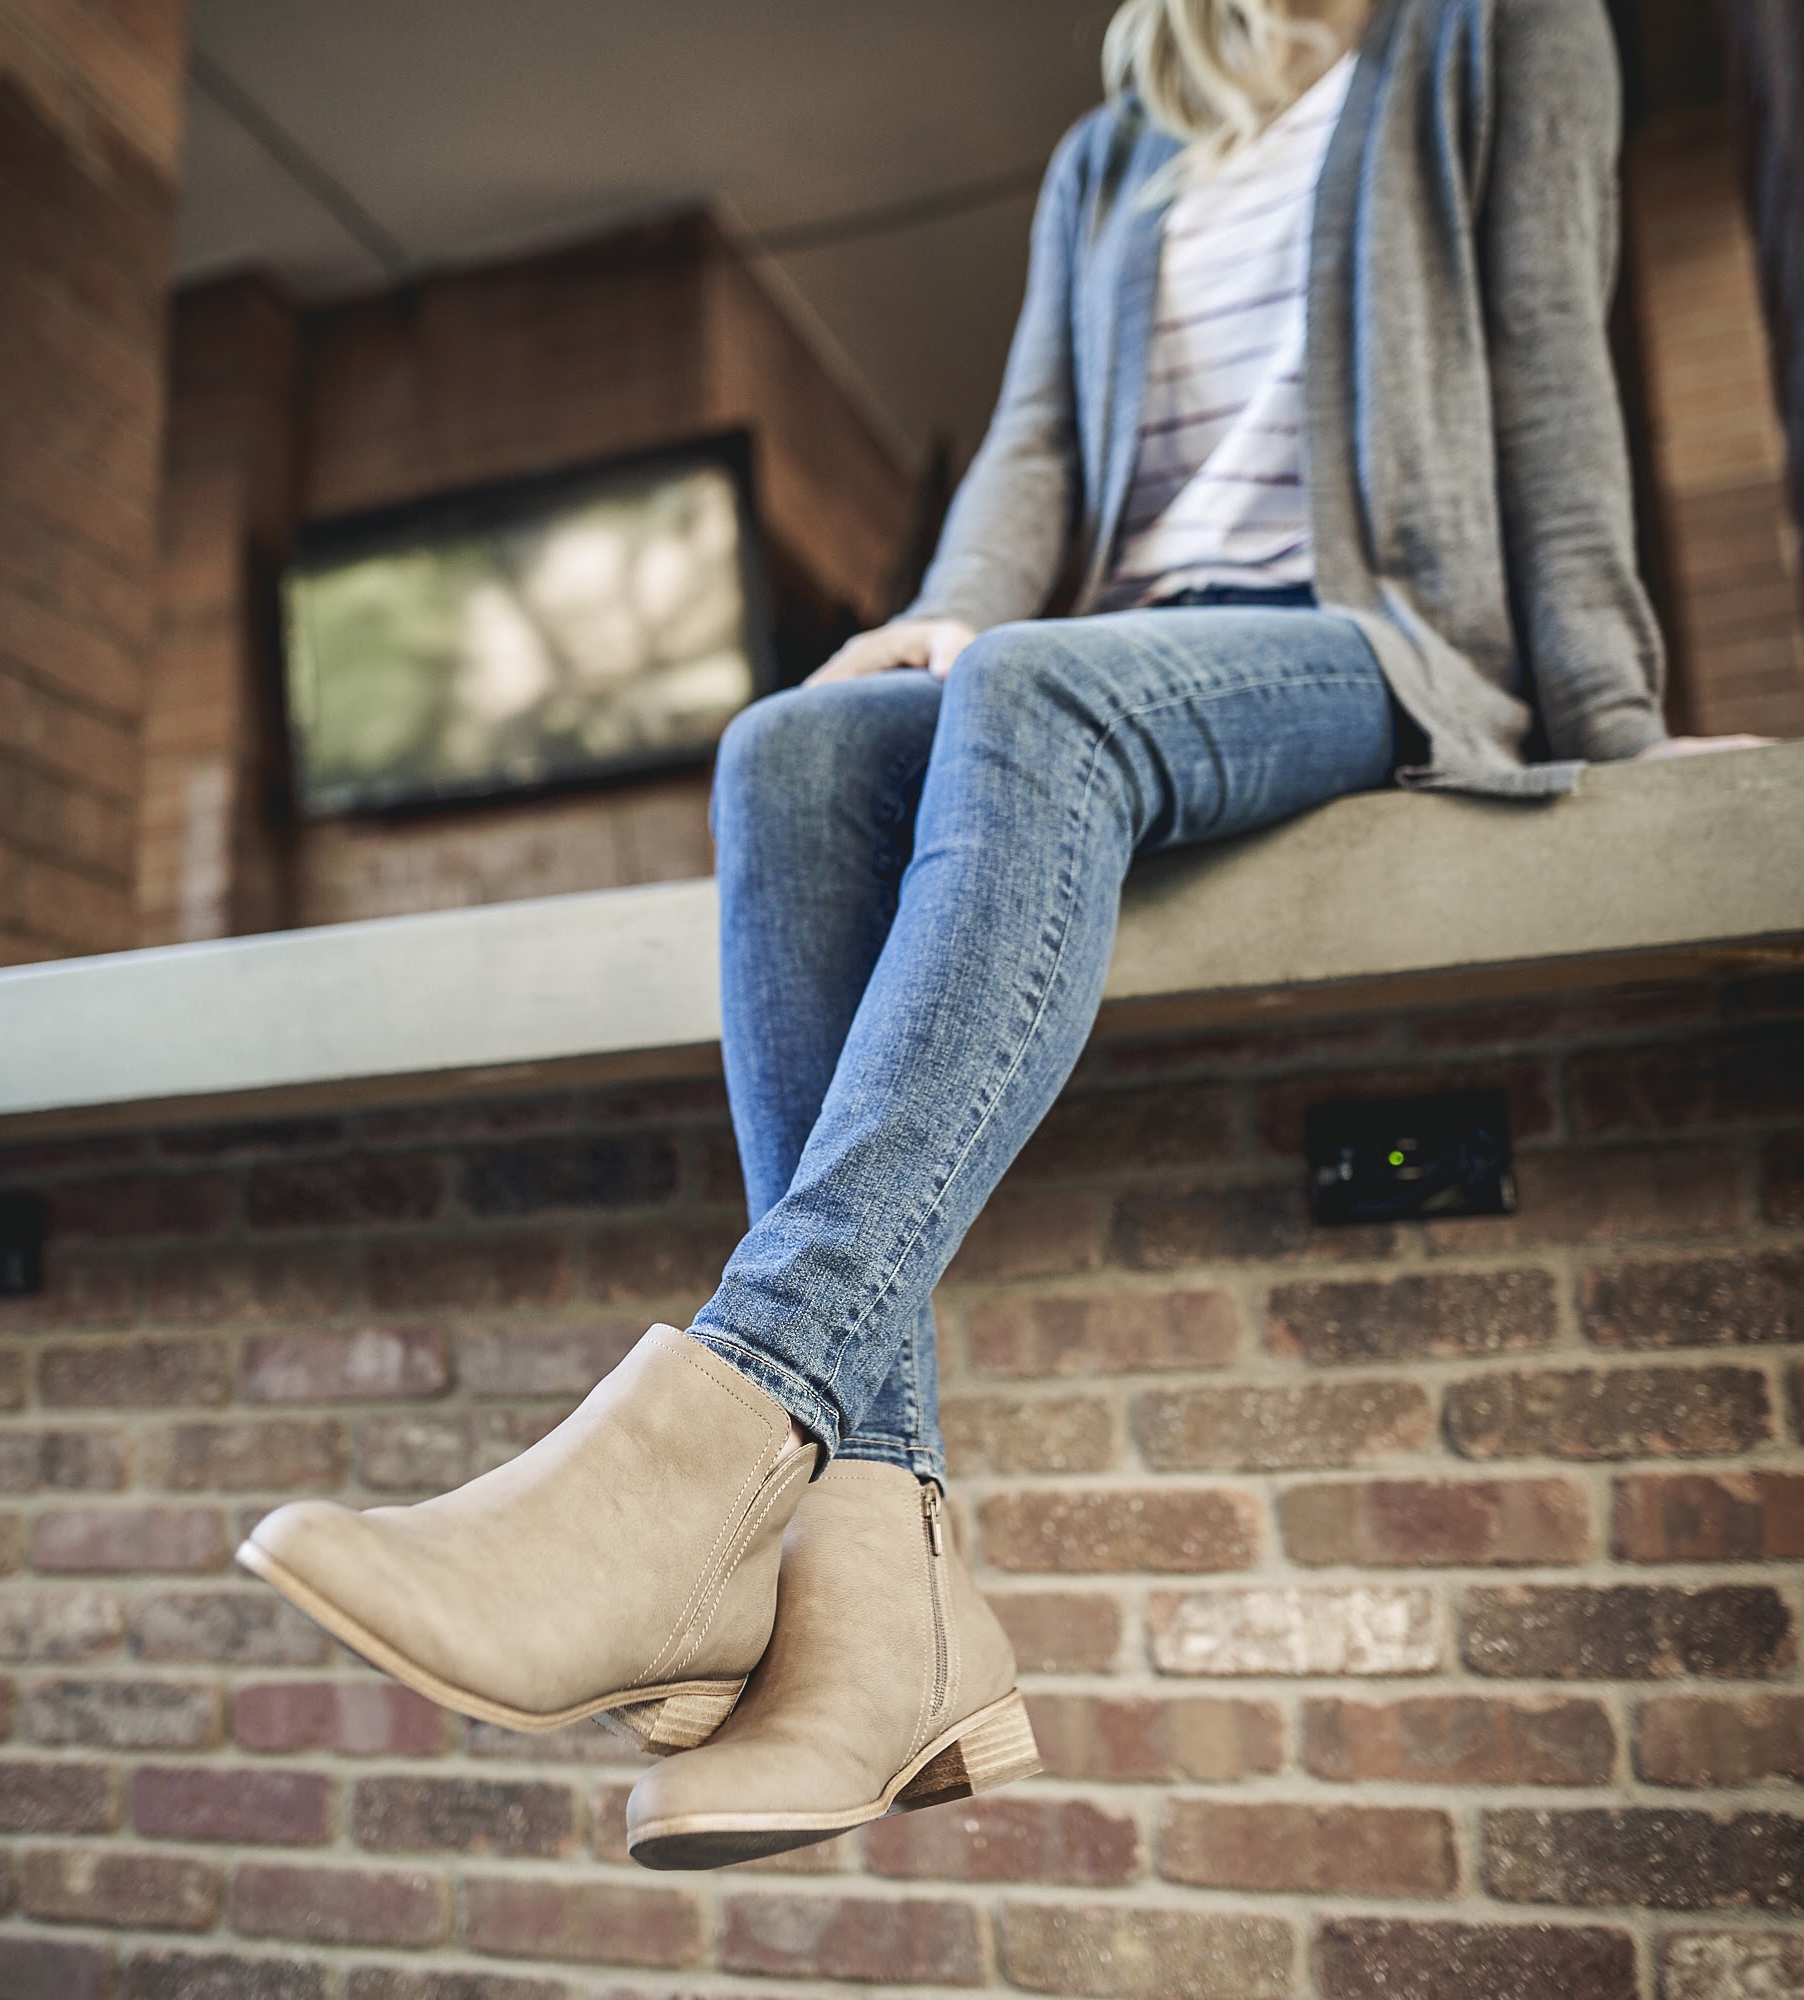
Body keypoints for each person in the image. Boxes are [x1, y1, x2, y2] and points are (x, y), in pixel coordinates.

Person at [237, 0, 1767, 1872]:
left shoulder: (1496, 33)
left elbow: (1550, 359)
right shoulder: (1116, 148)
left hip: (1369, 642)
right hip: (1111, 649)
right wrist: (944, 611)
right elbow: (1035, 440)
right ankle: (885, 1607)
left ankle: (725, 1433)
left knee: (1036, 691)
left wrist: (1615, 726)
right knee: (793, 749)